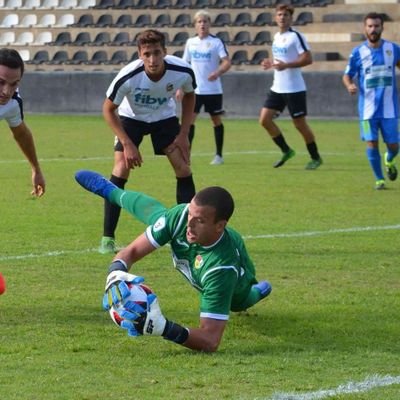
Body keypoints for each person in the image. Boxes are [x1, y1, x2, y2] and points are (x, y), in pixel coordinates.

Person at [75, 169, 272, 353]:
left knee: (239, 302)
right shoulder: (181, 217)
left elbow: (210, 340)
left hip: (236, 280)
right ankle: (112, 191)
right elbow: (131, 251)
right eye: (190, 214)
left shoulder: (221, 269)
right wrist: (115, 275)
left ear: (220, 226)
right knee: (159, 216)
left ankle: (259, 290)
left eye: (200, 221)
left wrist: (164, 328)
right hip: (196, 246)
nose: (190, 224)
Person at [99, 29, 197, 254]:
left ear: (165, 52)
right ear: (139, 54)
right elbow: (107, 109)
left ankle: (188, 234)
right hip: (131, 119)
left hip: (164, 118)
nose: (152, 60)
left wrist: (184, 135)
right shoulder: (128, 75)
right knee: (121, 168)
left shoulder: (182, 70)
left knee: (183, 167)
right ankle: (107, 238)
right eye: (147, 54)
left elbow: (190, 95)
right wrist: (127, 143)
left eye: (156, 53)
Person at [259, 4, 322, 170]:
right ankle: (286, 150)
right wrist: (270, 63)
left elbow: (308, 59)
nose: (282, 17)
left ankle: (315, 157)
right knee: (264, 120)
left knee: (300, 125)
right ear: (275, 18)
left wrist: (287, 65)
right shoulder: (277, 37)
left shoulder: (296, 36)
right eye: (279, 15)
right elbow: (279, 60)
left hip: (294, 88)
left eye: (285, 15)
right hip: (277, 88)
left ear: (291, 18)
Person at [343, 12, 400, 190]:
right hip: (367, 109)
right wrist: (350, 85)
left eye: (376, 26)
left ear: (382, 27)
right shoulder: (358, 52)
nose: (373, 29)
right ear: (364, 28)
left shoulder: (393, 49)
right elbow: (347, 75)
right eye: (370, 26)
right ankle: (379, 179)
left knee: (394, 146)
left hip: (389, 108)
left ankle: (389, 159)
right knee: (371, 142)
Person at [177, 10, 231, 165]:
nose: (202, 24)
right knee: (189, 121)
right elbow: (185, 65)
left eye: (205, 21)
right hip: (194, 90)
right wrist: (180, 87)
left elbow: (227, 62)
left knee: (216, 120)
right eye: (199, 22)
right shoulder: (190, 42)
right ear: (195, 25)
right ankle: (187, 154)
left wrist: (218, 72)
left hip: (213, 90)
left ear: (209, 24)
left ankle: (219, 155)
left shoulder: (216, 42)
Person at [0, 48, 45, 197]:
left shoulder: (13, 103)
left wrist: (36, 169)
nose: (6, 91)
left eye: (14, 84)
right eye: (0, 82)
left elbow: (21, 134)